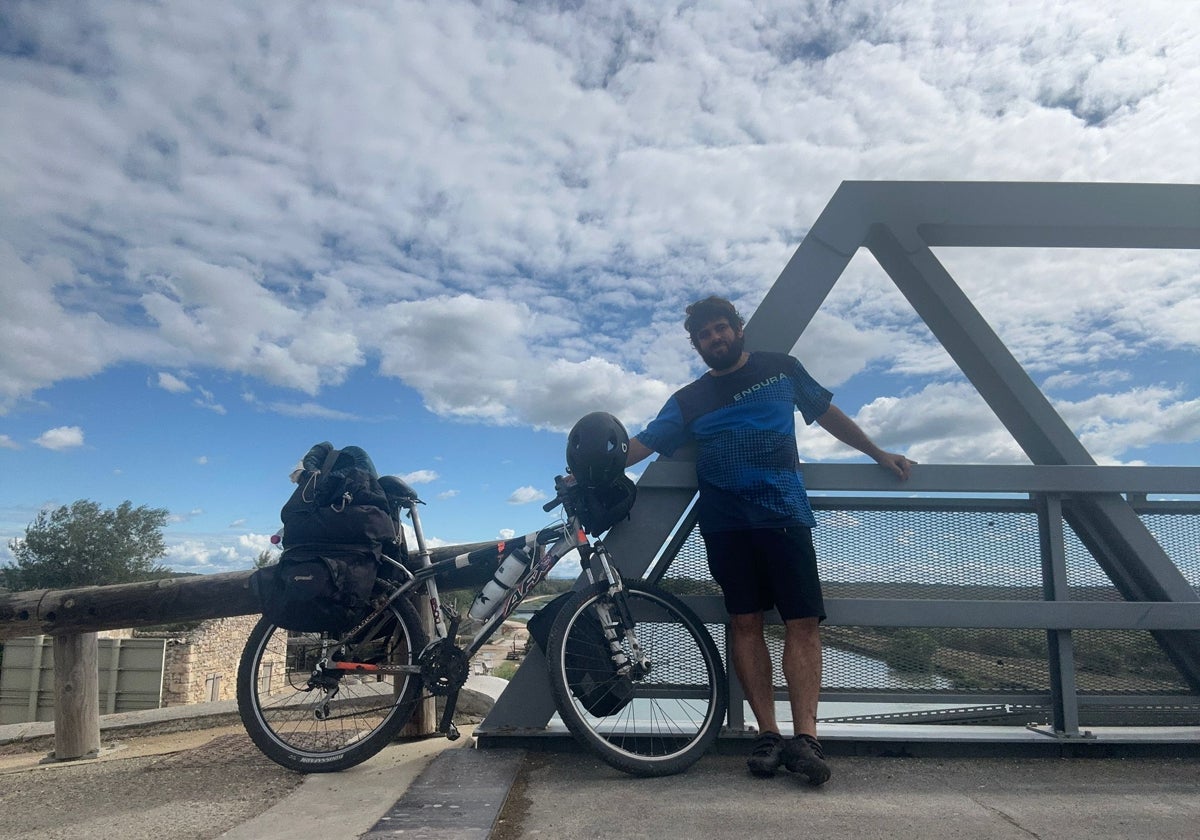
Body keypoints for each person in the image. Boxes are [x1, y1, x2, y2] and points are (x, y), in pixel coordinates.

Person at [624, 295, 914, 784]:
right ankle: (768, 734)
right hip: (726, 525)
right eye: (705, 335)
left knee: (802, 624)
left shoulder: (782, 370)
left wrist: (877, 452)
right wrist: (588, 467)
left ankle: (807, 740)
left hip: (784, 515)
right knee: (744, 623)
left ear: (738, 329)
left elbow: (826, 413)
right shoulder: (688, 399)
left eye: (721, 328)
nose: (715, 338)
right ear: (696, 344)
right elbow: (644, 443)